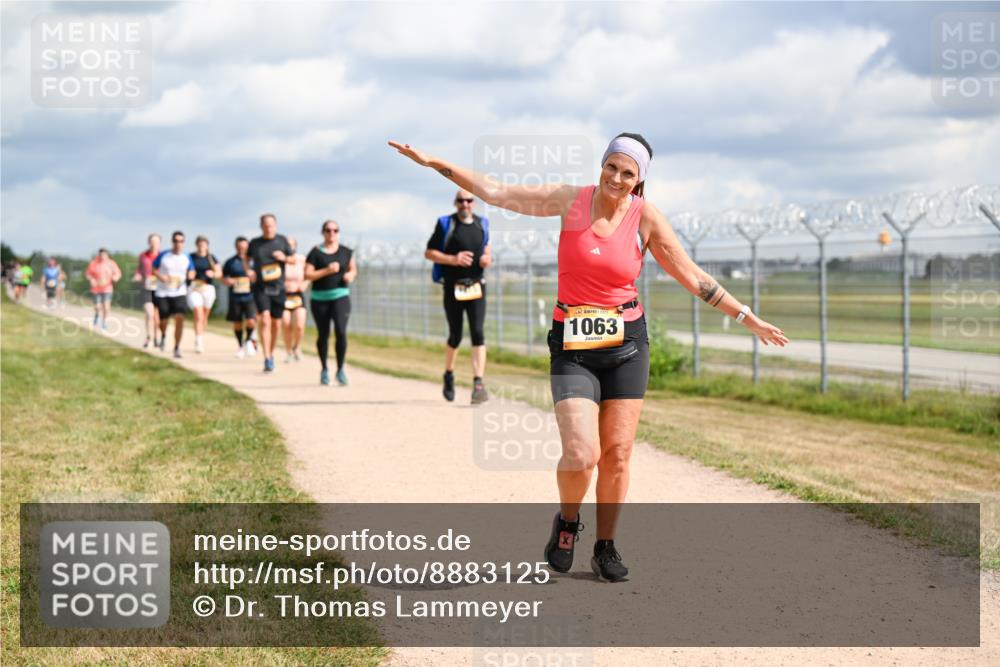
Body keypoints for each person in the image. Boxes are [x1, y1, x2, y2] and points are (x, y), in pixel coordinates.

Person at [389, 134, 789, 582]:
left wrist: (746, 316)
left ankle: (605, 547)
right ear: (602, 165)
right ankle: (567, 522)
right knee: (582, 454)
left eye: (628, 173)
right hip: (574, 346)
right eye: (612, 167)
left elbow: (693, 277)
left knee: (616, 456)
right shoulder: (570, 201)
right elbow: (497, 191)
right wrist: (433, 162)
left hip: (626, 346)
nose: (617, 178)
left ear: (640, 181)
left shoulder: (646, 218)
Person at [424, 189, 492, 404]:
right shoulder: (446, 224)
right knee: (456, 335)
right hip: (453, 287)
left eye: (469, 200)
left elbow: (487, 248)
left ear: (474, 203)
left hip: (476, 286)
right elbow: (429, 252)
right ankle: (449, 374)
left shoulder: (483, 224)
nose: (465, 204)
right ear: (455, 203)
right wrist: (453, 259)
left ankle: (478, 384)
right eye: (461, 201)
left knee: (478, 333)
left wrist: (487, 258)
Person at [305, 220, 357, 386]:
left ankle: (340, 369)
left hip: (340, 296)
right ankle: (324, 369)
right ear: (323, 232)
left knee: (341, 331)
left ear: (339, 232)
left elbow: (353, 268)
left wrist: (351, 275)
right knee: (323, 334)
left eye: (335, 230)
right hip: (320, 298)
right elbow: (308, 275)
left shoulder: (346, 252)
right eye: (328, 230)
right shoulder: (315, 252)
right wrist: (327, 270)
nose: (332, 233)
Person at [248, 213, 295, 373]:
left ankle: (271, 352)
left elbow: (293, 259)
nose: (269, 228)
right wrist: (249, 270)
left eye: (271, 225)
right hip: (261, 287)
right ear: (261, 226)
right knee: (265, 320)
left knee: (276, 323)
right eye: (266, 225)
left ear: (275, 226)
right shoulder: (255, 243)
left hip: (279, 288)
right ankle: (267, 357)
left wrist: (284, 258)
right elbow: (246, 259)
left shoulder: (282, 241)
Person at [153, 231, 194, 358]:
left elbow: (192, 271)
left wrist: (190, 276)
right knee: (163, 320)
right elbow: (153, 269)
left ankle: (177, 347)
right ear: (172, 242)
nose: (178, 243)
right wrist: (162, 277)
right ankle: (164, 335)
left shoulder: (186, 257)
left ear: (184, 243)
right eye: (176, 241)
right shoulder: (164, 255)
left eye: (181, 241)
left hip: (179, 292)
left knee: (180, 318)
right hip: (163, 292)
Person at [222, 236, 258, 359]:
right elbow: (224, 277)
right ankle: (240, 346)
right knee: (237, 322)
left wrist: (253, 278)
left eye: (244, 247)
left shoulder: (254, 261)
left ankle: (248, 340)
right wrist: (228, 281)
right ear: (236, 247)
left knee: (251, 320)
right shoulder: (230, 262)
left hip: (251, 296)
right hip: (235, 296)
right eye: (240, 247)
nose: (242, 249)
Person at [187, 236, 221, 354]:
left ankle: (200, 333)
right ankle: (198, 341)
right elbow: (185, 270)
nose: (202, 247)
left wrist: (213, 273)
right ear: (196, 245)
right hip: (194, 288)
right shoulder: (191, 257)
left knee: (204, 317)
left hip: (208, 288)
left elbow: (219, 273)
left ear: (207, 246)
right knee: (198, 314)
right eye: (200, 244)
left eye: (204, 244)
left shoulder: (211, 258)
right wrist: (189, 274)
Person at [281, 236, 309, 362]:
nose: (290, 247)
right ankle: (288, 352)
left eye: (292, 245)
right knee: (286, 324)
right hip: (283, 296)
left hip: (298, 295)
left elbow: (308, 274)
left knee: (299, 325)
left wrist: (304, 284)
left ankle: (297, 347)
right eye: (287, 244)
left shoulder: (301, 259)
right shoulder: (280, 260)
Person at [133, 234, 162, 348]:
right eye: (152, 241)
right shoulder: (143, 256)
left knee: (156, 316)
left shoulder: (162, 256)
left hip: (159, 288)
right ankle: (149, 337)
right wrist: (137, 276)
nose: (154, 244)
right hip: (146, 288)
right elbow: (139, 269)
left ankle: (157, 337)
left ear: (160, 243)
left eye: (156, 242)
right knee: (149, 313)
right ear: (148, 242)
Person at [85, 249, 122, 330]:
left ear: (107, 255)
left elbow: (118, 273)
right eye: (101, 255)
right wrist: (91, 279)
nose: (103, 257)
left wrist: (115, 278)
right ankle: (97, 315)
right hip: (96, 289)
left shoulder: (111, 263)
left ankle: (104, 322)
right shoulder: (93, 263)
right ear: (99, 255)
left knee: (106, 307)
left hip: (107, 288)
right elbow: (88, 274)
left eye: (104, 255)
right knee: (98, 307)